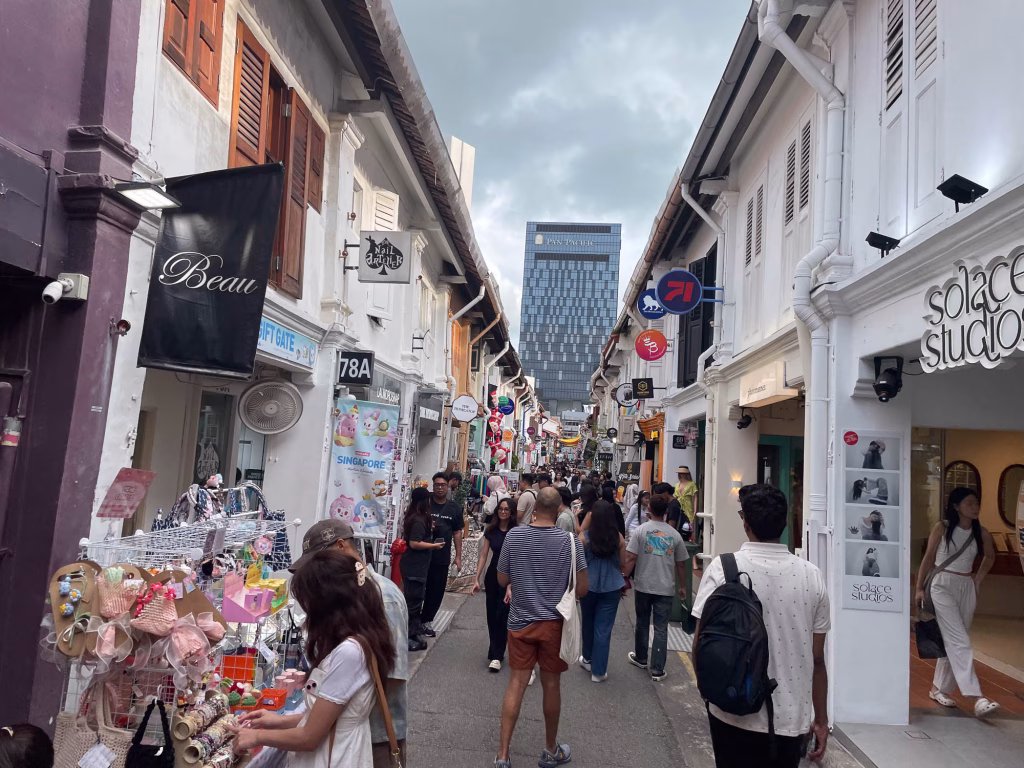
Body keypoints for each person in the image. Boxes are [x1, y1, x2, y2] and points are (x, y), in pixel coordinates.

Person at [692, 484, 830, 767]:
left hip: (731, 709)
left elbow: (699, 643)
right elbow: (817, 659)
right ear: (784, 522)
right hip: (791, 718)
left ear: (746, 523)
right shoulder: (811, 576)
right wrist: (822, 718)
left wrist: (709, 693)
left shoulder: (723, 568)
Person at [233, 549, 396, 767]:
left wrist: (257, 737)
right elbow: (328, 720)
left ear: (327, 605)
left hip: (335, 758)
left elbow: (310, 737)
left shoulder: (350, 652)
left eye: (309, 603)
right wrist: (277, 721)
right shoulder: (363, 639)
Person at [288, 519, 410, 767]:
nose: (317, 571)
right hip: (343, 734)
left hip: (374, 736)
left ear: (342, 546)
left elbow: (393, 676)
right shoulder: (348, 594)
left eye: (320, 561)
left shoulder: (382, 596)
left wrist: (330, 708)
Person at [494, 488, 588, 768]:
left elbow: (501, 579)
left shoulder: (514, 536)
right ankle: (550, 750)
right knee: (551, 685)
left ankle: (502, 756)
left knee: (516, 684)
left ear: (535, 507)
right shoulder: (571, 542)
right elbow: (582, 588)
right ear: (560, 509)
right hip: (553, 626)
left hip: (520, 622)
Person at [914, 487, 1000, 718]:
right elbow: (929, 557)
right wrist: (919, 587)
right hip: (942, 584)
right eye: (969, 503)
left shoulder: (981, 532)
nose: (975, 507)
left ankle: (937, 689)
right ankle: (976, 697)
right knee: (958, 639)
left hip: (966, 586)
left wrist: (978, 579)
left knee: (954, 638)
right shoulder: (941, 527)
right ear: (956, 506)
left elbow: (990, 556)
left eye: (976, 503)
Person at [622, 497, 687, 681]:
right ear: (666, 511)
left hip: (643, 584)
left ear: (649, 509)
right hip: (665, 587)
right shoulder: (674, 534)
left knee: (642, 622)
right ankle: (658, 669)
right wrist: (683, 587)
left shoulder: (641, 531)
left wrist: (624, 578)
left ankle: (641, 658)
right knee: (661, 627)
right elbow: (681, 564)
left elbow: (631, 557)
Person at [578, 500, 626, 682]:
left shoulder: (584, 537)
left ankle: (587, 658)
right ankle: (599, 671)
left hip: (587, 584)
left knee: (588, 622)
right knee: (603, 628)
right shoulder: (618, 538)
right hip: (611, 586)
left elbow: (579, 565)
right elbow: (623, 563)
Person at [472, 497, 518, 671]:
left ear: (512, 512)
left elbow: (518, 559)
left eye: (506, 509)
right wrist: (476, 578)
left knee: (504, 615)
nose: (503, 512)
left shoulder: (517, 532)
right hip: (493, 575)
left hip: (510, 578)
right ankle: (495, 652)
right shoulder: (491, 530)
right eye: (501, 509)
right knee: (492, 614)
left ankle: (497, 654)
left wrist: (511, 584)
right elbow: (484, 555)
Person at [422, 472, 464, 637]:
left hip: (441, 556)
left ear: (448, 487)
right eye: (437, 485)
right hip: (421, 554)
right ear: (433, 486)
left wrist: (458, 556)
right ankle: (413, 621)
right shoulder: (425, 503)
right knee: (419, 589)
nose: (440, 487)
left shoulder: (453, 508)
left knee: (437, 590)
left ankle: (426, 620)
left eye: (443, 485)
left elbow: (457, 532)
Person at [400, 487, 442, 651]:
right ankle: (408, 636)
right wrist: (434, 545)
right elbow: (414, 543)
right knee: (413, 602)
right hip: (414, 566)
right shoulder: (418, 519)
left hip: (418, 566)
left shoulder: (418, 518)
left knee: (416, 601)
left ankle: (415, 633)